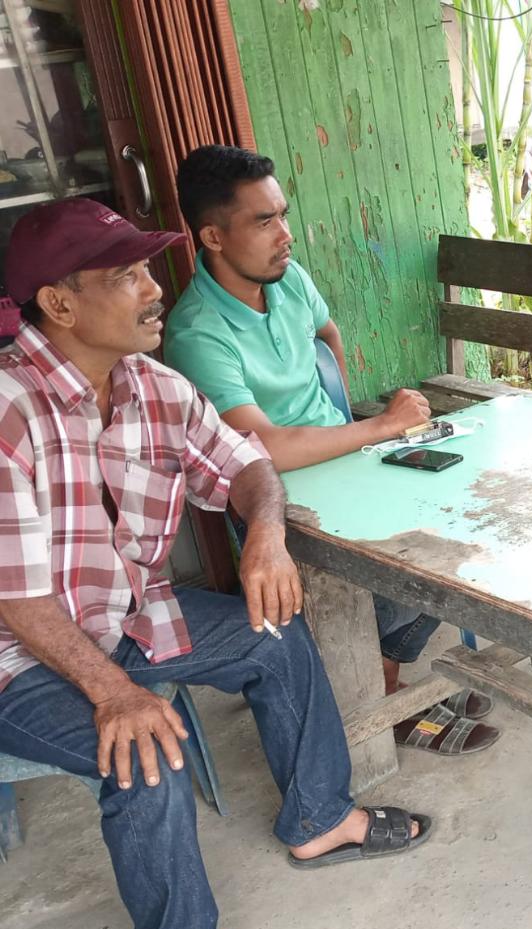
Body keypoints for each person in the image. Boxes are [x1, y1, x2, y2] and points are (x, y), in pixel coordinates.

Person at [0, 199, 431, 929]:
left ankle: (319, 820)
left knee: (274, 632)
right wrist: (114, 695)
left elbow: (249, 464)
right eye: (127, 274)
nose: (152, 287)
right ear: (60, 303)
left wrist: (264, 534)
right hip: (22, 654)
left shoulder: (151, 386)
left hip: (126, 618)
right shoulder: (9, 411)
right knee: (142, 761)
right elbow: (18, 598)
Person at [165, 146, 500, 757]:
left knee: (468, 519)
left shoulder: (286, 278)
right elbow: (259, 449)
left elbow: (326, 335)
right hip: (277, 492)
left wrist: (345, 420)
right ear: (213, 235)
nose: (285, 235)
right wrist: (377, 429)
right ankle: (382, 700)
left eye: (282, 215)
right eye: (263, 222)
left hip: (348, 457)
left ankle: (382, 679)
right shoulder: (196, 334)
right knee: (404, 559)